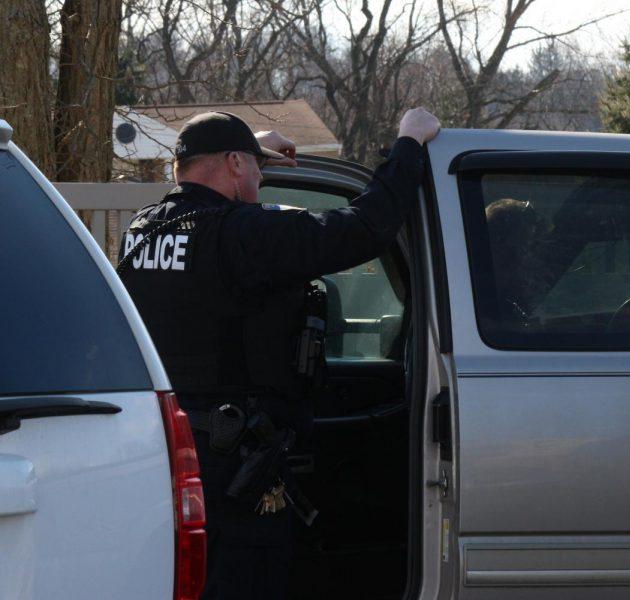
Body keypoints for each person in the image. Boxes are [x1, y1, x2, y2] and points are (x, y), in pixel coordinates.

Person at [117, 108, 440, 600]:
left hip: (169, 451)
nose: (261, 180)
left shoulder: (143, 231)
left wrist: (250, 147)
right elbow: (363, 227)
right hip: (237, 466)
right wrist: (409, 144)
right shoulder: (246, 234)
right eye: (255, 168)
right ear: (233, 164)